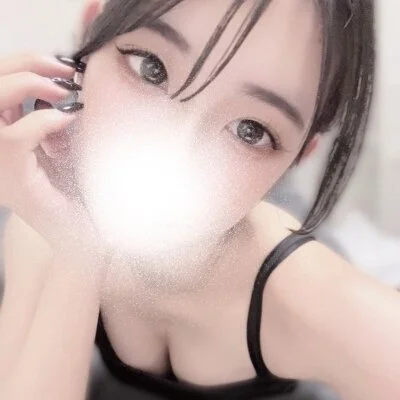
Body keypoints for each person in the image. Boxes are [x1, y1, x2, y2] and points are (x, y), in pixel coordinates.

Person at [0, 1, 398, 400]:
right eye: (151, 68)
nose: (171, 154)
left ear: (298, 156)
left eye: (251, 130)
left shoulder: (323, 305)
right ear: (92, 29)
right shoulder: (46, 212)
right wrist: (77, 251)